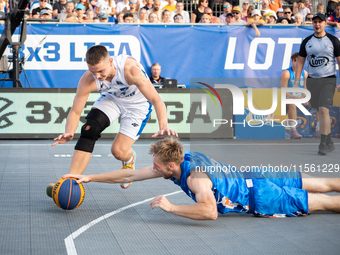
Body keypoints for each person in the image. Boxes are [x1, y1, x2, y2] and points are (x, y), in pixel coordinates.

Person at [64, 137, 340, 220]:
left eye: (157, 166)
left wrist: (171, 208)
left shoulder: (196, 178)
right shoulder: (184, 157)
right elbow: (132, 174)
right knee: (325, 182)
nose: (153, 168)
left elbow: (209, 212)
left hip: (262, 196)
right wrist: (90, 177)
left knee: (326, 202)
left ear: (171, 165)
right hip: (255, 175)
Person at [50, 45, 177, 195]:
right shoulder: (88, 79)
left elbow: (156, 99)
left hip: (138, 105)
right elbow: (76, 111)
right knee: (90, 129)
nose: (97, 76)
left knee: (118, 151)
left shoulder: (130, 71)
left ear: (111, 62)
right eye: (92, 71)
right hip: (113, 99)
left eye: (100, 71)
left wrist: (163, 125)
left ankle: (129, 159)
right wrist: (69, 131)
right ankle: (71, 180)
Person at [294, 13, 340, 155]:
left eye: (320, 22)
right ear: (312, 24)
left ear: (325, 24)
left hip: (328, 79)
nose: (317, 24)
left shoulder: (333, 40)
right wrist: (297, 81)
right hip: (313, 80)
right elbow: (301, 61)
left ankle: (323, 143)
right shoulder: (307, 41)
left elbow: (339, 60)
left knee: (324, 108)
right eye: (315, 22)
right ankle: (329, 142)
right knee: (318, 110)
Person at [280, 52, 308, 139]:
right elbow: (284, 92)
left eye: (299, 61)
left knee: (316, 104)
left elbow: (305, 88)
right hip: (287, 98)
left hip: (298, 98)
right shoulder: (286, 73)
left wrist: (305, 97)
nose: (297, 63)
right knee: (292, 103)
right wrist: (298, 99)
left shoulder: (305, 73)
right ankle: (293, 130)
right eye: (295, 61)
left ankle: (317, 129)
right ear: (292, 61)